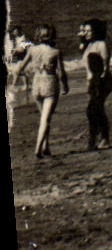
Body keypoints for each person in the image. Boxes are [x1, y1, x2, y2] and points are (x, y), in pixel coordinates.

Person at [24, 26, 69, 158]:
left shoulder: (32, 49)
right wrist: (65, 86)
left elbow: (22, 67)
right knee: (46, 119)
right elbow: (61, 73)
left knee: (43, 117)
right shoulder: (55, 52)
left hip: (36, 84)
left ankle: (46, 146)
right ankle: (38, 149)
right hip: (49, 83)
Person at [80, 19, 112, 151]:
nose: (86, 33)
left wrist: (98, 85)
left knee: (94, 109)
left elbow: (105, 66)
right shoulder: (89, 44)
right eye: (85, 31)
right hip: (92, 81)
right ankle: (100, 138)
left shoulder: (101, 44)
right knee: (94, 110)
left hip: (102, 81)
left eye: (89, 31)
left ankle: (98, 139)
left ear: (96, 31)